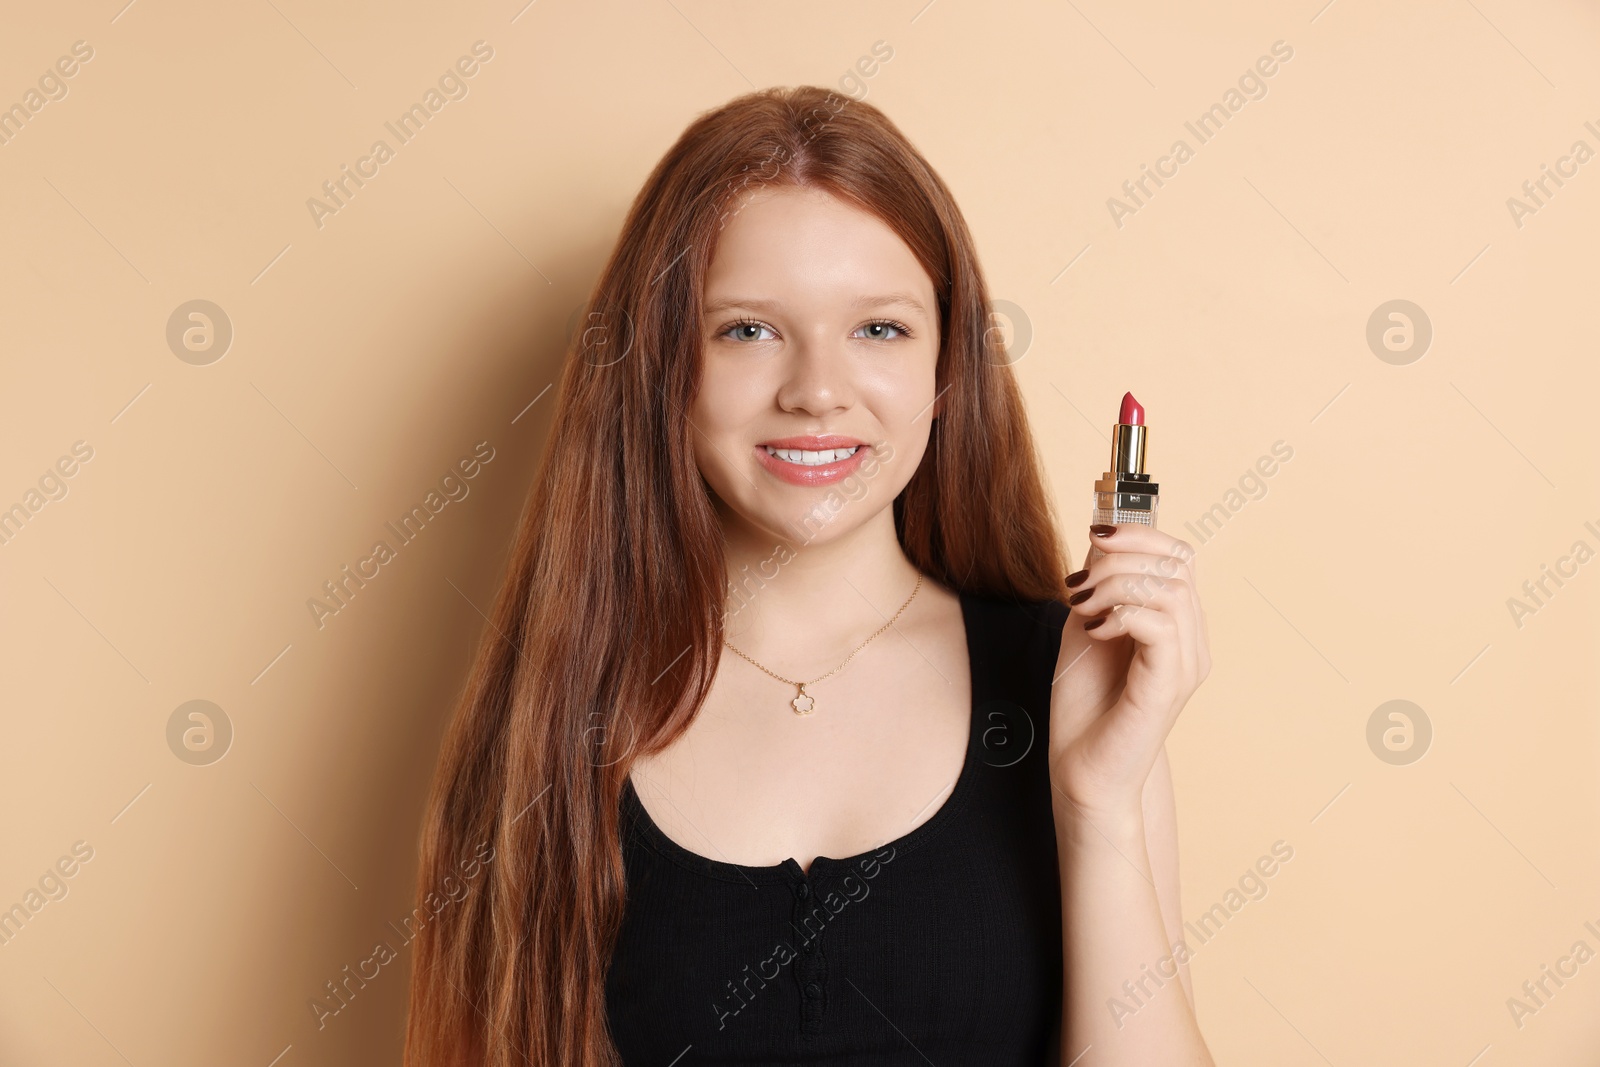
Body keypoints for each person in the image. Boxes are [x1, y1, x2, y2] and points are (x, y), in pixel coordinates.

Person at [403, 84, 1213, 1067]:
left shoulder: (1067, 679)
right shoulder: (558, 708)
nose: (816, 389)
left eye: (878, 328)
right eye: (747, 328)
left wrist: (1098, 800)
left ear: (945, 369)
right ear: (663, 364)